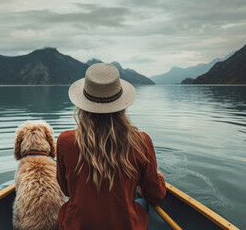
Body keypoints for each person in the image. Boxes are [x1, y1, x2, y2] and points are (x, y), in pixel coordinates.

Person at [56, 63, 166, 230]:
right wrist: (159, 178)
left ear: (83, 105)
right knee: (142, 202)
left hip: (78, 226)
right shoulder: (141, 141)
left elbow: (66, 190)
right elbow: (155, 194)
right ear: (122, 104)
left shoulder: (65, 141)